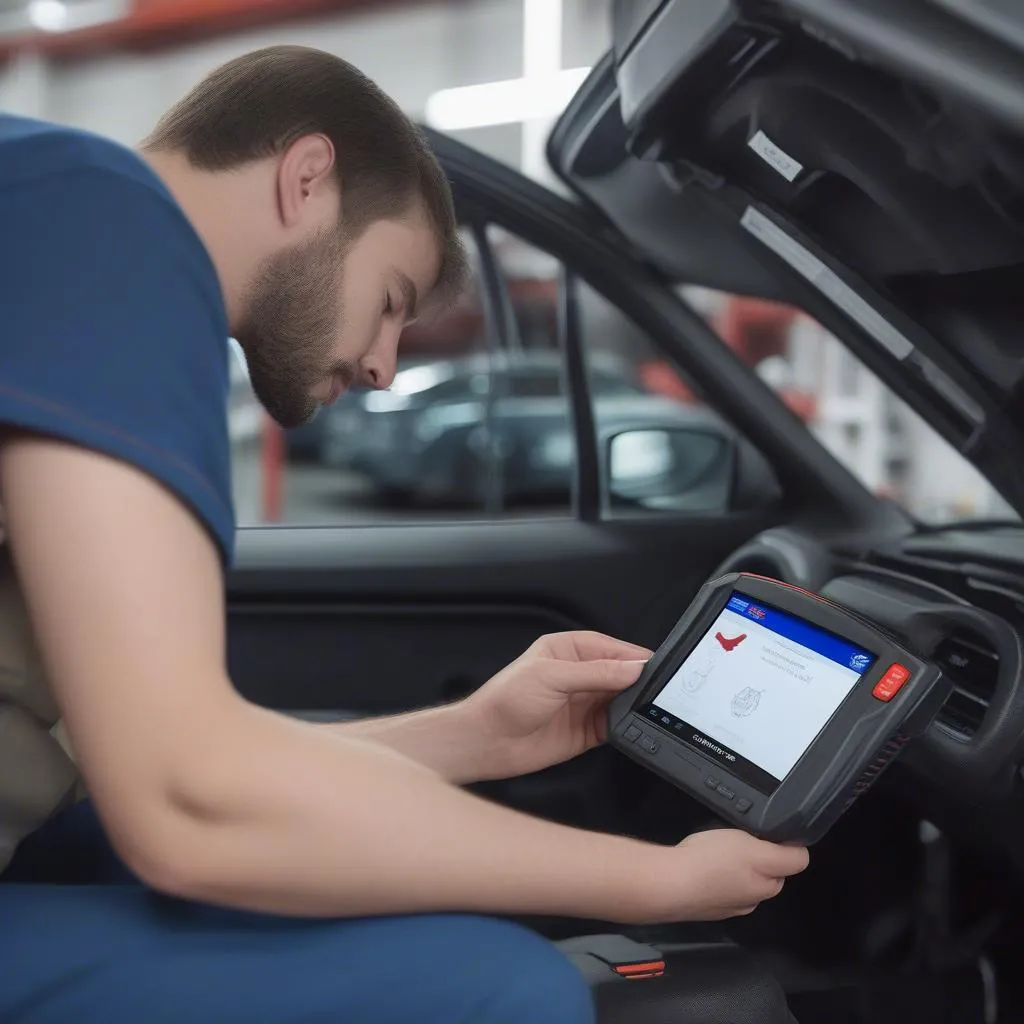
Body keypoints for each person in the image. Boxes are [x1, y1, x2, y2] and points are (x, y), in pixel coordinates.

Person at [0, 45, 809, 1023]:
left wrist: (469, 736)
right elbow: (186, 804)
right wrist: (654, 882)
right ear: (305, 179)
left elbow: (157, 764)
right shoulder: (116, 225)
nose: (386, 366)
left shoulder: (51, 215)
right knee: (505, 987)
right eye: (390, 300)